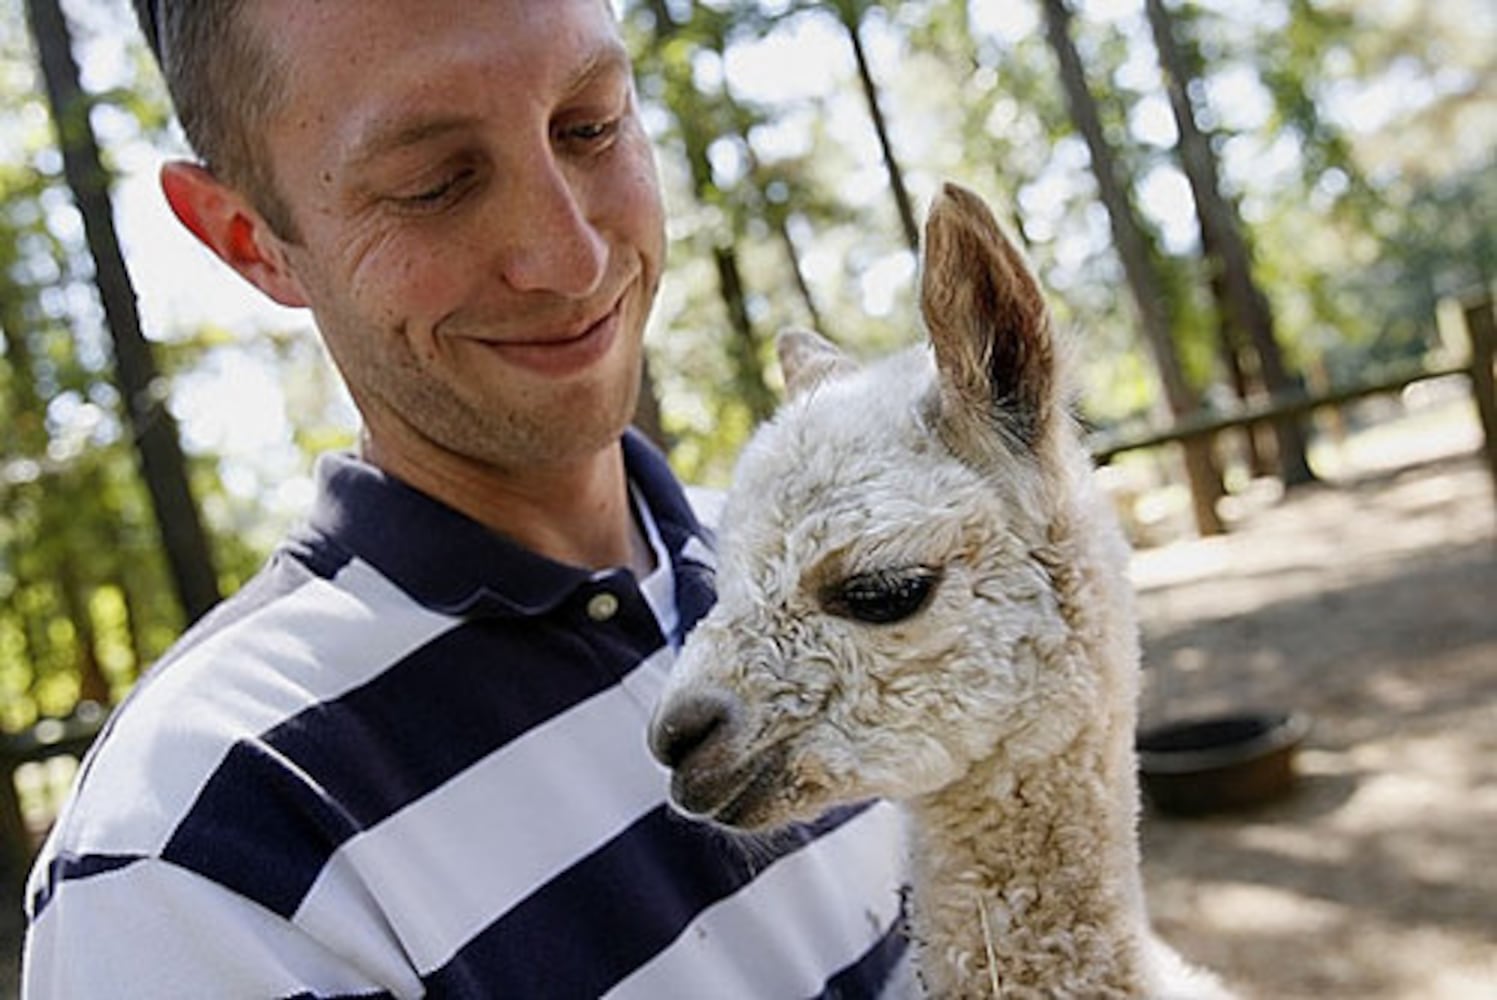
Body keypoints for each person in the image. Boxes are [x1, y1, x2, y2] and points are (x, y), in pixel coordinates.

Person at [21, 1, 910, 996]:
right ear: (249, 238)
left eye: (590, 125)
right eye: (433, 184)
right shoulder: (197, 859)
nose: (572, 259)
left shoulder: (855, 582)